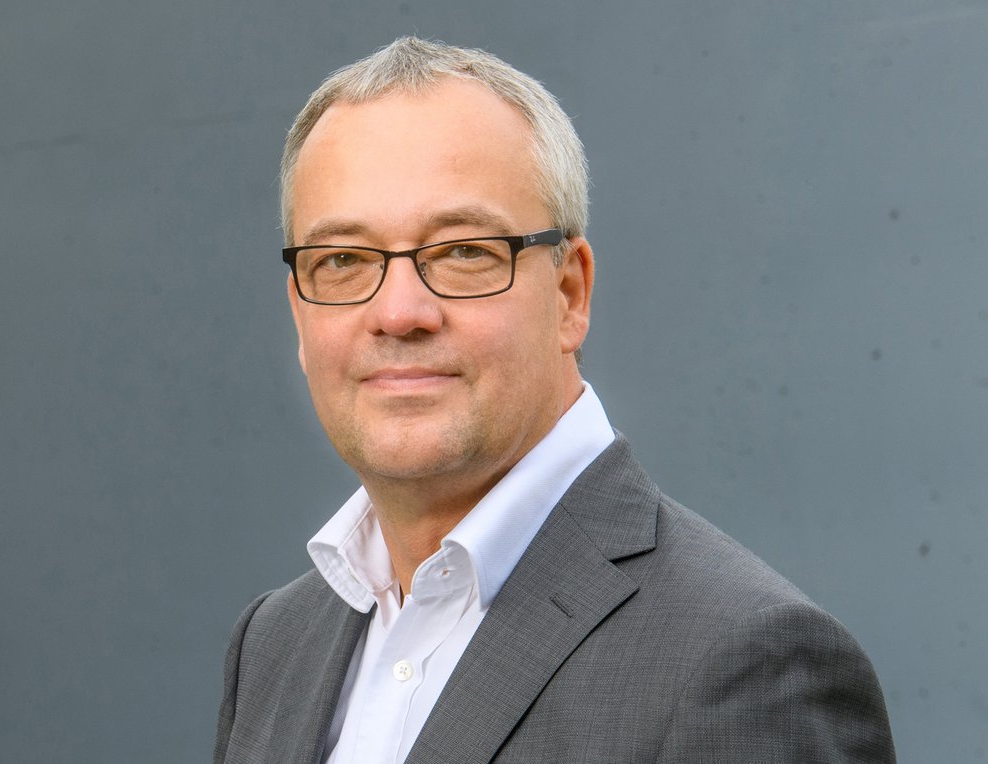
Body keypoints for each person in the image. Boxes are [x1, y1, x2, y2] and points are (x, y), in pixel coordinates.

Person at [213, 37, 895, 763]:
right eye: (343, 260)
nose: (398, 311)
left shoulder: (744, 663)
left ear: (569, 293)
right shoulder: (274, 645)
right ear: (299, 311)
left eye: (463, 250)